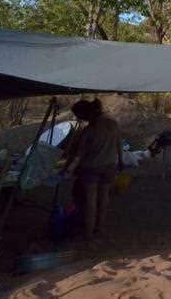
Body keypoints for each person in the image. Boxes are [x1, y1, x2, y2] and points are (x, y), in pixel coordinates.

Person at [62, 99, 122, 241]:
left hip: (91, 168)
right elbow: (118, 144)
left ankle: (88, 234)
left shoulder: (89, 131)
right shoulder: (113, 124)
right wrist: (121, 160)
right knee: (104, 198)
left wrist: (66, 169)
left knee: (91, 202)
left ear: (85, 115)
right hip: (110, 166)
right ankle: (100, 228)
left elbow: (78, 155)